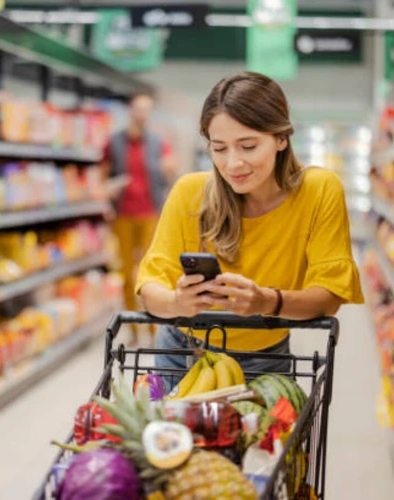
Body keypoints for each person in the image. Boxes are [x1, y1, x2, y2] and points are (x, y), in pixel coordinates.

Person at [135, 72, 364, 391]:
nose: (233, 164)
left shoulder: (318, 191)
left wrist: (264, 302)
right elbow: (149, 289)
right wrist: (177, 303)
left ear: (281, 138)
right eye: (220, 148)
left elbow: (329, 298)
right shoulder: (190, 193)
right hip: (180, 354)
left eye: (248, 146)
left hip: (264, 361)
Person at [103, 92, 176, 345]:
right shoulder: (114, 142)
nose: (141, 114)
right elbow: (103, 175)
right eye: (137, 109)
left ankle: (154, 329)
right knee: (125, 272)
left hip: (150, 214)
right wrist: (108, 190)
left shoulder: (158, 142)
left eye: (146, 110)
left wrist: (169, 171)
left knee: (150, 273)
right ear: (130, 112)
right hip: (123, 214)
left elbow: (170, 171)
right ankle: (133, 329)